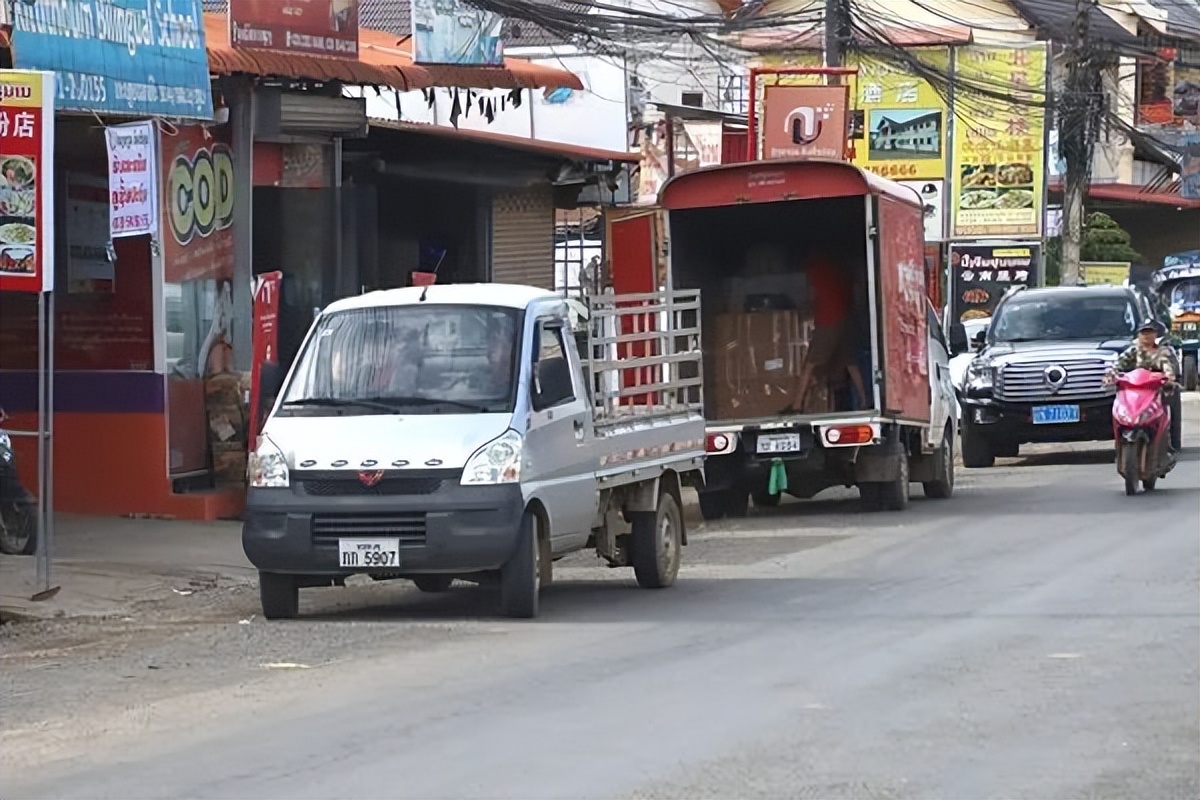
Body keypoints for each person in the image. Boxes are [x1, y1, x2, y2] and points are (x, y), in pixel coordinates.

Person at [789, 248, 866, 412]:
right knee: (850, 363)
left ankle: (796, 405)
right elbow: (854, 293)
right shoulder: (842, 269)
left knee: (809, 364)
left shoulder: (815, 268)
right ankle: (864, 400)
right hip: (846, 320)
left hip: (828, 319)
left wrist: (806, 310)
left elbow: (812, 294)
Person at [1106, 319, 1181, 454]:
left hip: (1156, 387)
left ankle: (1170, 441)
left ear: (1155, 335)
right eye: (1143, 332)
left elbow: (1168, 367)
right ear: (1139, 335)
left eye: (1150, 332)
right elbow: (1118, 365)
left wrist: (1169, 378)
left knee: (1170, 402)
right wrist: (1111, 375)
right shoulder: (1133, 351)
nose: (1146, 336)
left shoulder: (1163, 351)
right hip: (1135, 388)